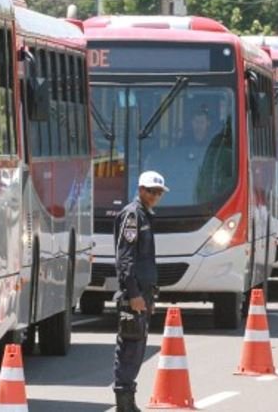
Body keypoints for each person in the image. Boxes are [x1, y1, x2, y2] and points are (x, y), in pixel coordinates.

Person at [112, 170, 167, 412]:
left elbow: (145, 261)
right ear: (140, 190)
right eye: (151, 191)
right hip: (133, 294)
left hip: (143, 293)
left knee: (137, 347)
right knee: (130, 346)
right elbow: (125, 259)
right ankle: (124, 403)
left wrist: (148, 295)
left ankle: (128, 400)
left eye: (158, 193)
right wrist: (133, 293)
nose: (155, 196)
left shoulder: (145, 215)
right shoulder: (133, 215)